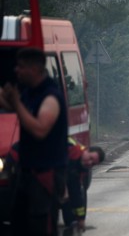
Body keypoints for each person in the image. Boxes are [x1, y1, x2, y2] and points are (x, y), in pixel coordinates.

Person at [0, 47, 68, 236]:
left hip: (45, 174)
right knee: (19, 224)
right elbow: (11, 105)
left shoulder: (50, 97)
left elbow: (39, 129)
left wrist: (16, 101)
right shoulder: (31, 93)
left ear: (34, 68)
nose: (16, 71)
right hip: (27, 173)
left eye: (21, 67)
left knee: (41, 227)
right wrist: (12, 99)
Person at [61, 137, 105, 233]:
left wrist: (81, 219)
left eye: (93, 164)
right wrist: (63, 187)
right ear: (86, 150)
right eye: (90, 158)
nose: (89, 163)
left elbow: (76, 194)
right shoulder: (71, 149)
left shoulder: (80, 169)